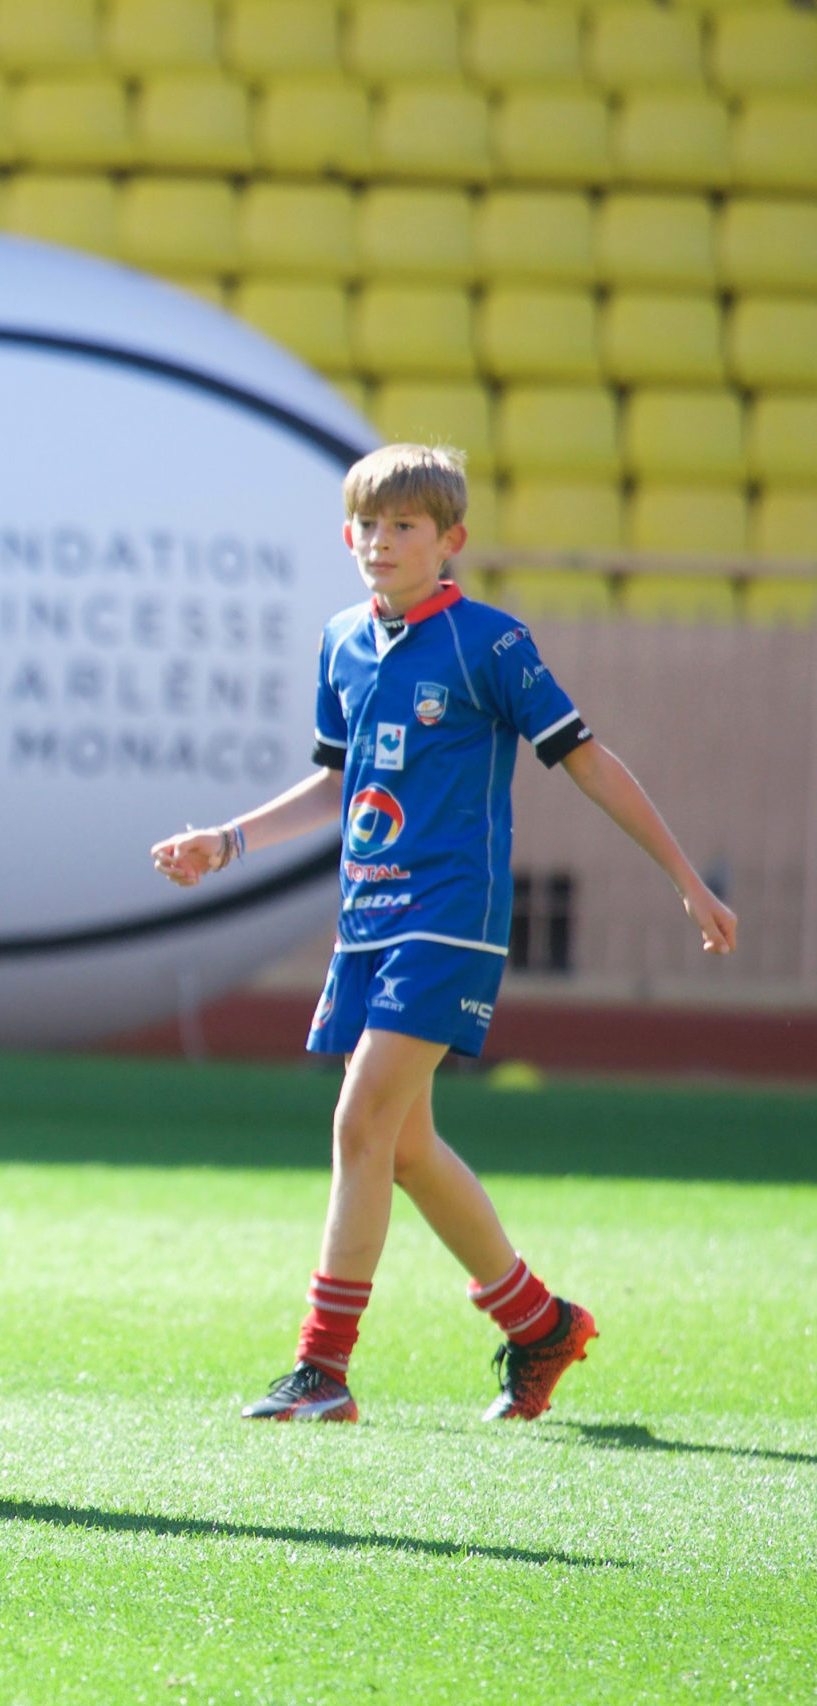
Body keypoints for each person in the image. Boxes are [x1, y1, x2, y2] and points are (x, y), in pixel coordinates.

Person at [149, 444, 737, 1425]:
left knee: (356, 1119)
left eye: (404, 526)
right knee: (405, 1144)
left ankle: (321, 1368)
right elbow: (337, 783)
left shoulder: (487, 643)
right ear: (347, 535)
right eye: (367, 526)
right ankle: (538, 1321)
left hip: (451, 916)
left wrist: (681, 876)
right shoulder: (341, 639)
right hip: (365, 918)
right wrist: (229, 838)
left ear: (450, 539)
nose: (380, 542)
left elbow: (586, 761)